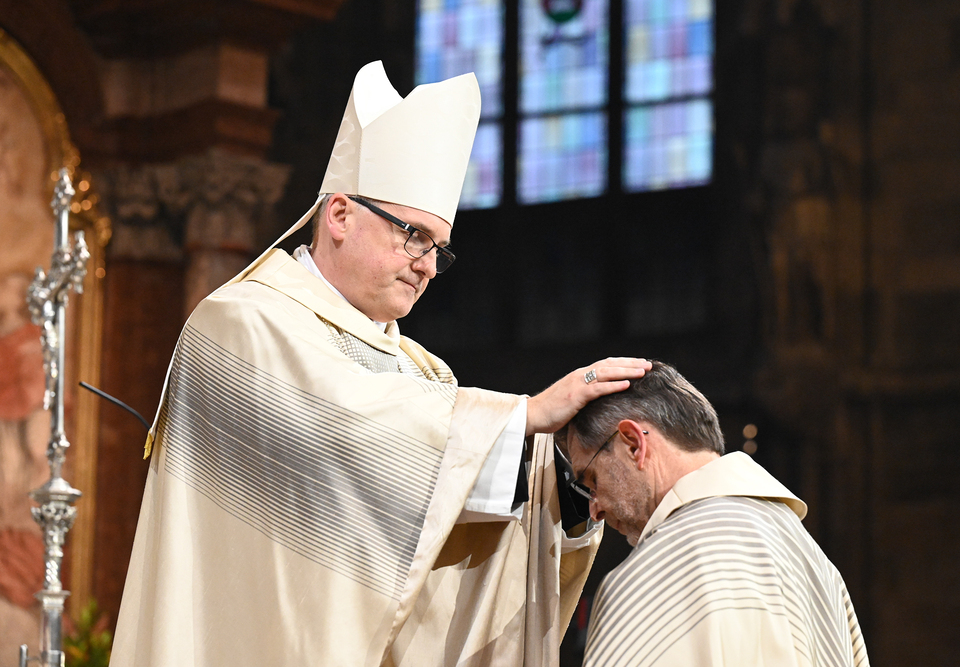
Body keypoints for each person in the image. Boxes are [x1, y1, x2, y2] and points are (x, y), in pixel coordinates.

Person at [109, 61, 649, 667]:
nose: (428, 265)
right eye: (414, 235)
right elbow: (344, 436)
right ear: (339, 215)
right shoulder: (240, 324)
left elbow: (445, 525)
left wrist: (566, 480)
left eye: (439, 249)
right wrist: (523, 415)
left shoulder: (425, 375)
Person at [558, 361, 869, 667]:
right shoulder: (814, 563)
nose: (595, 509)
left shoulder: (656, 576)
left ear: (633, 445)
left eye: (592, 480)